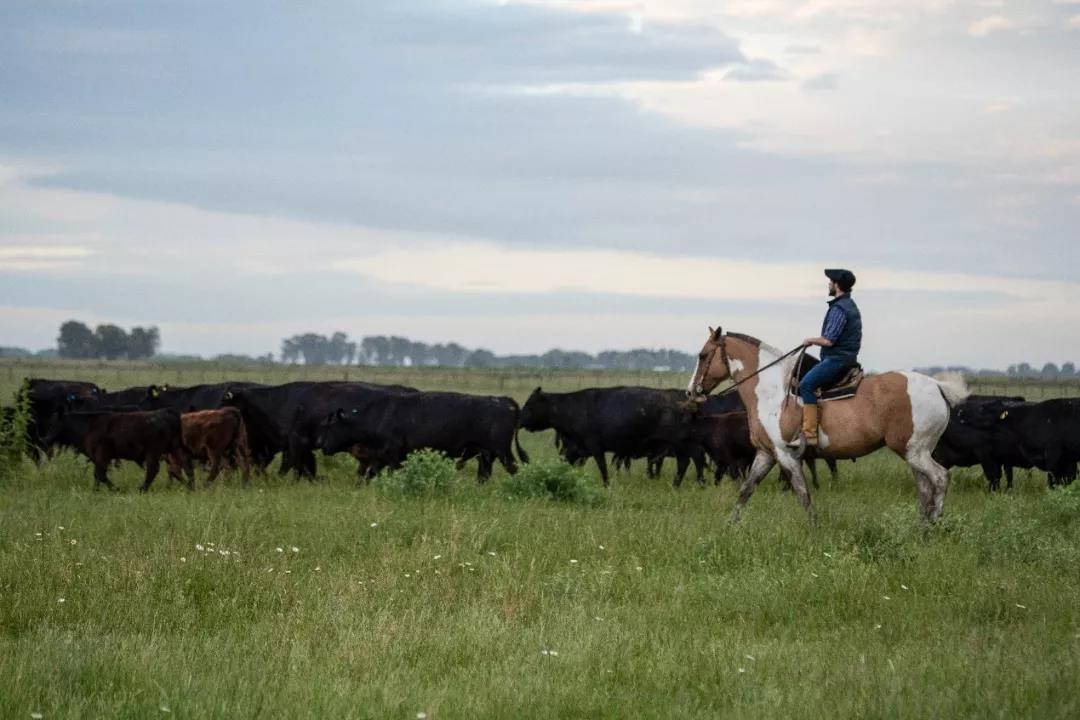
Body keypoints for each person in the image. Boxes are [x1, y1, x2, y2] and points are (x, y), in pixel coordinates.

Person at [794, 268, 862, 446]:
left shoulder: (839, 309)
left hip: (837, 360)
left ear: (837, 285)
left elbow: (829, 340)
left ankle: (809, 435)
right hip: (844, 357)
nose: (829, 284)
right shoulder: (850, 304)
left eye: (831, 281)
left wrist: (810, 340)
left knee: (806, 385)